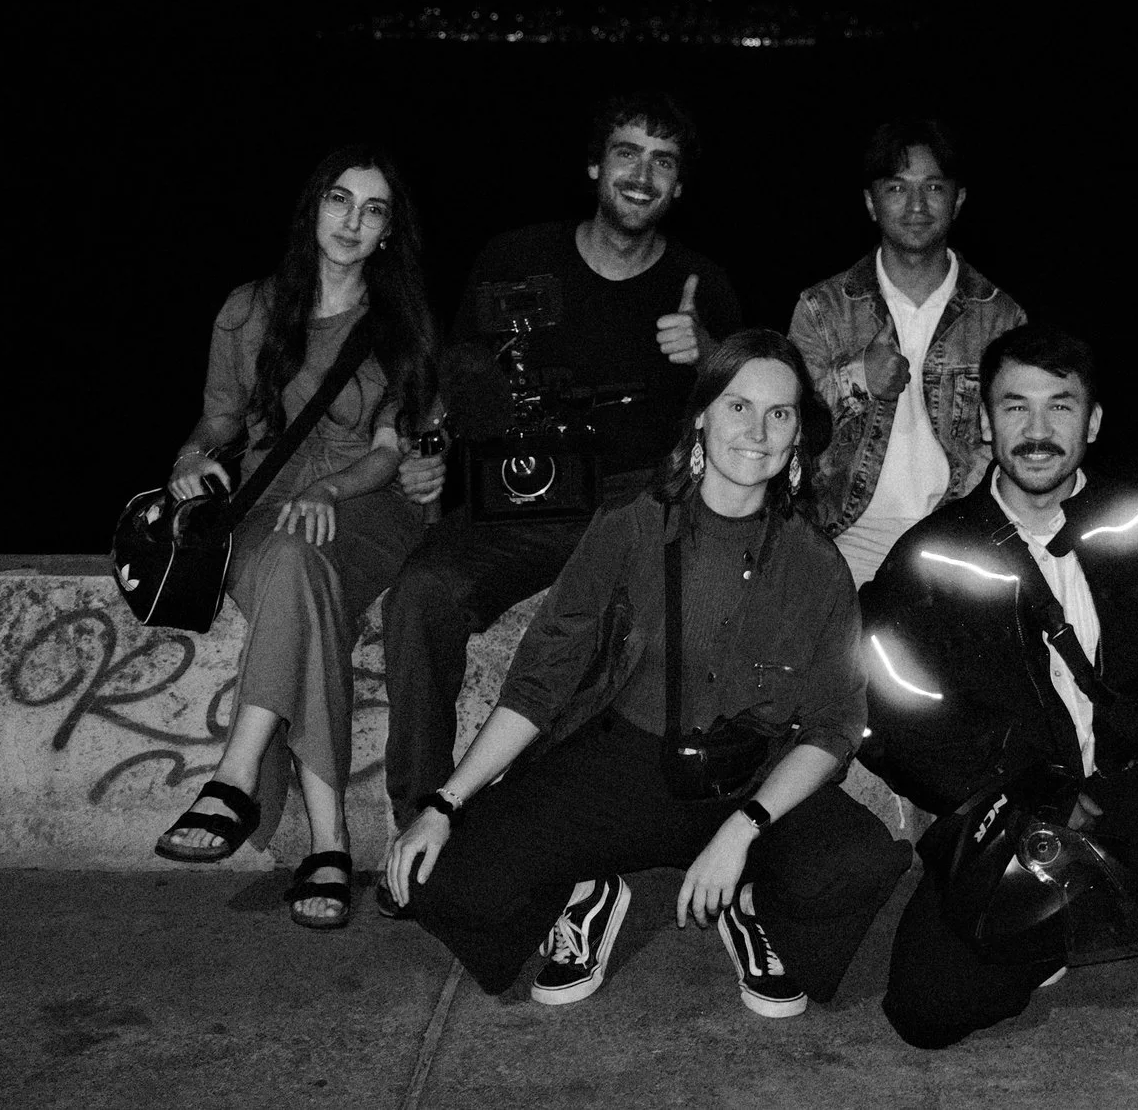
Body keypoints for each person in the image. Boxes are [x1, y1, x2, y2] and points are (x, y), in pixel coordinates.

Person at [383, 331, 909, 1017]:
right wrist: (444, 803)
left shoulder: (815, 565)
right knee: (437, 877)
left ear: (795, 438)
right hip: (625, 760)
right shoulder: (632, 527)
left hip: (750, 773)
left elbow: (839, 722)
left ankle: (749, 902)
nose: (756, 429)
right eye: (737, 406)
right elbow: (540, 680)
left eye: (778, 413)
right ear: (701, 418)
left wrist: (744, 826)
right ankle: (588, 890)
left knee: (858, 863)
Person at [859, 324, 1138, 1057]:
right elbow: (895, 711)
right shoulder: (930, 555)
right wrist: (1026, 791)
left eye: (1060, 407)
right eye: (1015, 407)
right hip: (1021, 812)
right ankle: (1058, 926)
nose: (1037, 431)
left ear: (1094, 421)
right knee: (926, 1008)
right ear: (985, 420)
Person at [380, 92, 742, 899]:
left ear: (679, 186)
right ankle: (418, 828)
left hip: (628, 504)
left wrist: (708, 351)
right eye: (626, 152)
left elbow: (754, 414)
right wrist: (429, 456)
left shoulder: (700, 282)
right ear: (594, 165)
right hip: (514, 490)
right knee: (423, 593)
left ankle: (529, 834)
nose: (641, 174)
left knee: (619, 643)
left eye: (663, 161)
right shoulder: (516, 255)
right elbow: (451, 385)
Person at [152, 145, 440, 931]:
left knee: (303, 558)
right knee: (293, 567)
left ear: (387, 232)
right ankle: (330, 842)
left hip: (367, 507)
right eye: (340, 201)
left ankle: (237, 776)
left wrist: (329, 488)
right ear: (314, 210)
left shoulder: (399, 324)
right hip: (261, 509)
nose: (352, 222)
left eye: (372, 209)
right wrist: (188, 456)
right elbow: (219, 417)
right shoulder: (248, 310)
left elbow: (388, 450)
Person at [787, 118, 1027, 583]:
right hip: (840, 538)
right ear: (870, 203)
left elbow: (1016, 439)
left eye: (933, 186)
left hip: (959, 539)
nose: (916, 205)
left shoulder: (1002, 317)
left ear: (957, 200)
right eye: (896, 188)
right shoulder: (821, 308)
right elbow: (789, 423)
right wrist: (859, 377)